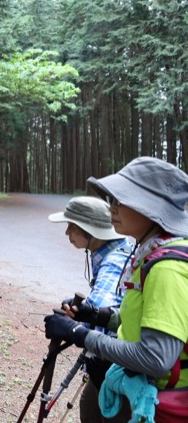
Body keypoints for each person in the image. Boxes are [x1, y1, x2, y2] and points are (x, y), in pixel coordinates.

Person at [44, 157, 188, 421]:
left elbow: (155, 358)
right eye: (112, 200)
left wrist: (79, 334)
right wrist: (96, 315)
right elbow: (140, 319)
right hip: (138, 388)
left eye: (121, 200)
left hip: (156, 401)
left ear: (152, 207)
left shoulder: (167, 267)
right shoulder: (149, 252)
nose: (111, 208)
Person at [49, 196, 133, 422]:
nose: (67, 233)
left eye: (72, 227)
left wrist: (73, 325)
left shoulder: (113, 261)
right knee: (88, 403)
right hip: (114, 365)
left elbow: (102, 315)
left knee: (98, 411)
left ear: (90, 230)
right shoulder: (118, 249)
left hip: (118, 367)